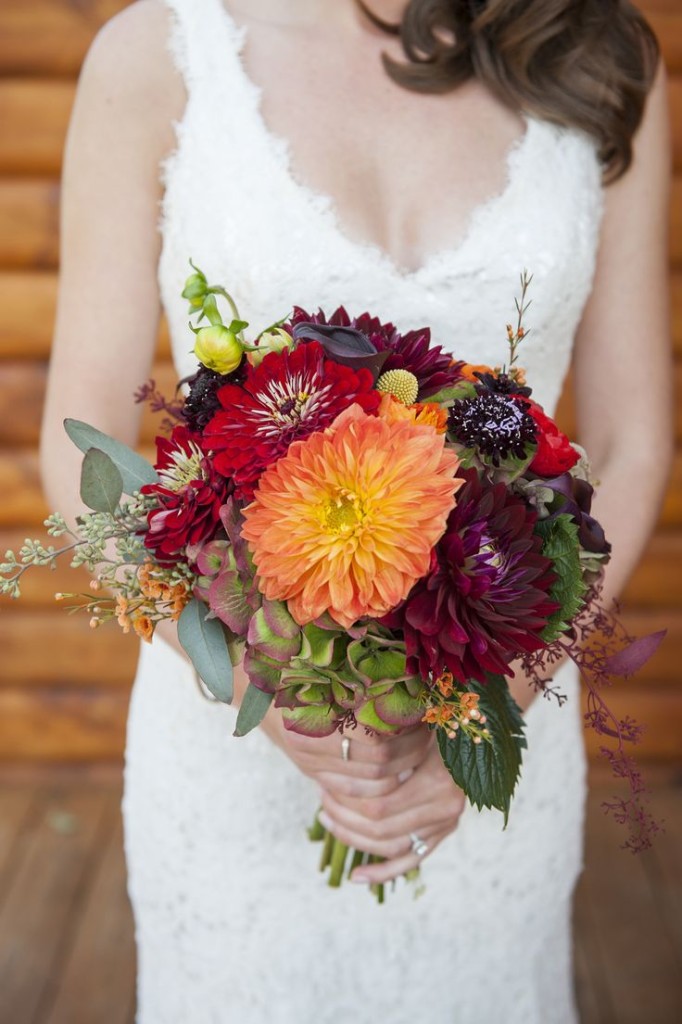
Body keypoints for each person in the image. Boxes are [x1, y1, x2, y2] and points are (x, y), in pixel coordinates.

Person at [41, 0, 672, 1021]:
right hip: (237, 750)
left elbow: (636, 443)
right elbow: (78, 451)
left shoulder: (589, 52)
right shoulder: (158, 54)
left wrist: (489, 715)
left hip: (492, 732)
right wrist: (254, 673)